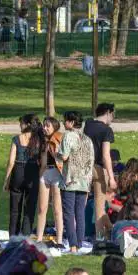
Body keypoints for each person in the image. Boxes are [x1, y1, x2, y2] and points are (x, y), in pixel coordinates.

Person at [58, 110, 95, 254]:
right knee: (80, 213)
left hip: (70, 181)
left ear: (72, 122)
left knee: (68, 213)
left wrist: (57, 154)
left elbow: (65, 156)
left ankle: (72, 245)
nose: (63, 123)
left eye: (65, 120)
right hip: (84, 181)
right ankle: (79, 244)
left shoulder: (68, 136)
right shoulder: (87, 139)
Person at [3, 114, 43, 236]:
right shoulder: (38, 139)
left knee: (15, 209)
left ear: (27, 125)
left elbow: (11, 162)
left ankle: (13, 236)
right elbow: (42, 161)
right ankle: (25, 236)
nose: (20, 125)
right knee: (30, 208)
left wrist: (6, 180)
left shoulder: (16, 139)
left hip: (18, 172)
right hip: (33, 172)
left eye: (21, 123)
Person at [84, 102, 116, 240]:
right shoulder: (106, 130)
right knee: (100, 205)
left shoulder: (88, 124)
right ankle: (99, 236)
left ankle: (110, 229)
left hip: (84, 168)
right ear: (108, 112)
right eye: (113, 114)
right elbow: (105, 155)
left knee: (81, 204)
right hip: (98, 168)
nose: (113, 117)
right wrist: (112, 177)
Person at [35, 116, 65, 248]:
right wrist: (40, 176)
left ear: (54, 127)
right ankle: (39, 239)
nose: (44, 128)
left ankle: (59, 241)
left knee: (57, 209)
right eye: (44, 125)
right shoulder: (43, 141)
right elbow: (42, 162)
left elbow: (63, 158)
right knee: (42, 208)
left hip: (57, 174)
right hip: (45, 174)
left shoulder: (59, 138)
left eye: (48, 126)